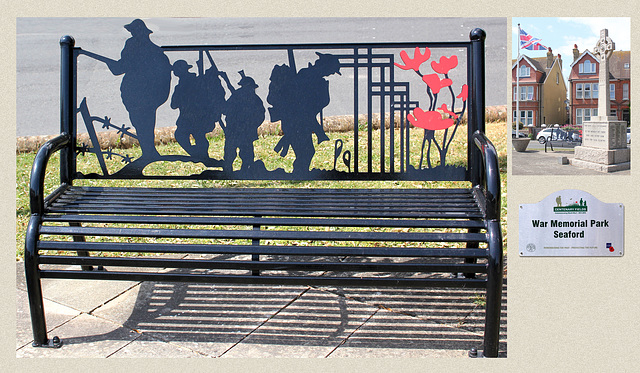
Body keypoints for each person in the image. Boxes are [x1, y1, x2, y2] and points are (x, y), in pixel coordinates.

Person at [102, 19, 172, 160]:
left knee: (142, 121)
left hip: (140, 93)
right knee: (143, 121)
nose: (132, 34)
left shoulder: (133, 46)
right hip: (140, 94)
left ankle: (149, 152)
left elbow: (121, 67)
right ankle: (148, 151)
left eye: (134, 31)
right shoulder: (154, 50)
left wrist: (111, 64)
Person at [268, 52, 341, 173]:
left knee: (306, 152)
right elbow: (299, 98)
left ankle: (300, 173)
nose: (331, 73)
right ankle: (299, 174)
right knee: (306, 152)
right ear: (325, 66)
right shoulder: (308, 76)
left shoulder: (312, 76)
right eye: (331, 70)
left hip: (302, 119)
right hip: (296, 119)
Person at [220, 71, 265, 172]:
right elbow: (226, 109)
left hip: (243, 131)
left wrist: (250, 125)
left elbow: (260, 115)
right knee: (231, 153)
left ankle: (244, 170)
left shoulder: (253, 100)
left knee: (245, 154)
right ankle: (229, 171)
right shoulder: (238, 97)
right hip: (235, 130)